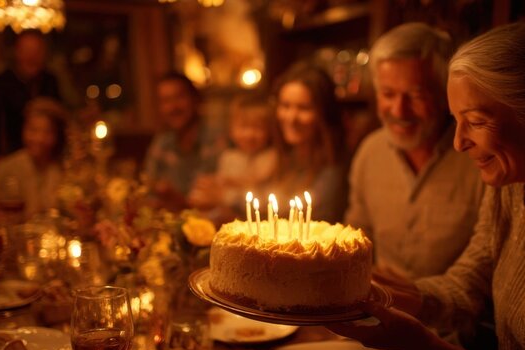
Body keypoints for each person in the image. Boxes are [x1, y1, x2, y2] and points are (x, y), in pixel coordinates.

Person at [329, 23, 525, 350]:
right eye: (457, 120)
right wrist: (382, 296)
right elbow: (468, 284)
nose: (458, 142)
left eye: (475, 121)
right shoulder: (513, 189)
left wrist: (423, 344)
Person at [345, 22, 484, 279]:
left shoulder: (480, 160)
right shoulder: (370, 152)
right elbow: (355, 239)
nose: (399, 111)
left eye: (416, 95)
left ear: (446, 94)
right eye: (388, 94)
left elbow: (481, 273)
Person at [270, 62, 348, 222]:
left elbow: (309, 219)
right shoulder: (290, 156)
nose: (291, 118)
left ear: (324, 113)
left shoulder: (334, 168)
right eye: (285, 105)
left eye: (303, 108)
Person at [144, 72, 225, 211]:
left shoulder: (216, 139)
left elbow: (216, 201)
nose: (173, 107)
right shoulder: (162, 142)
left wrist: (179, 201)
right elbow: (148, 190)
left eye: (179, 97)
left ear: (195, 99)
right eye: (166, 100)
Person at [0, 30, 61, 161]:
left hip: (46, 158)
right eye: (27, 50)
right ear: (17, 52)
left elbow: (59, 119)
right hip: (8, 159)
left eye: (36, 51)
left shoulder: (50, 81)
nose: (31, 56)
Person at [188, 93, 277, 215]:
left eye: (258, 127)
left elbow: (259, 188)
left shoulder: (271, 157)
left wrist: (228, 185)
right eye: (243, 126)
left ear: (270, 130)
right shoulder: (228, 156)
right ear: (231, 129)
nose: (249, 134)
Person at [0, 97, 68, 225]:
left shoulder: (63, 169)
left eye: (47, 132)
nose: (39, 138)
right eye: (33, 130)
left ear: (57, 136)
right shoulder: (7, 168)